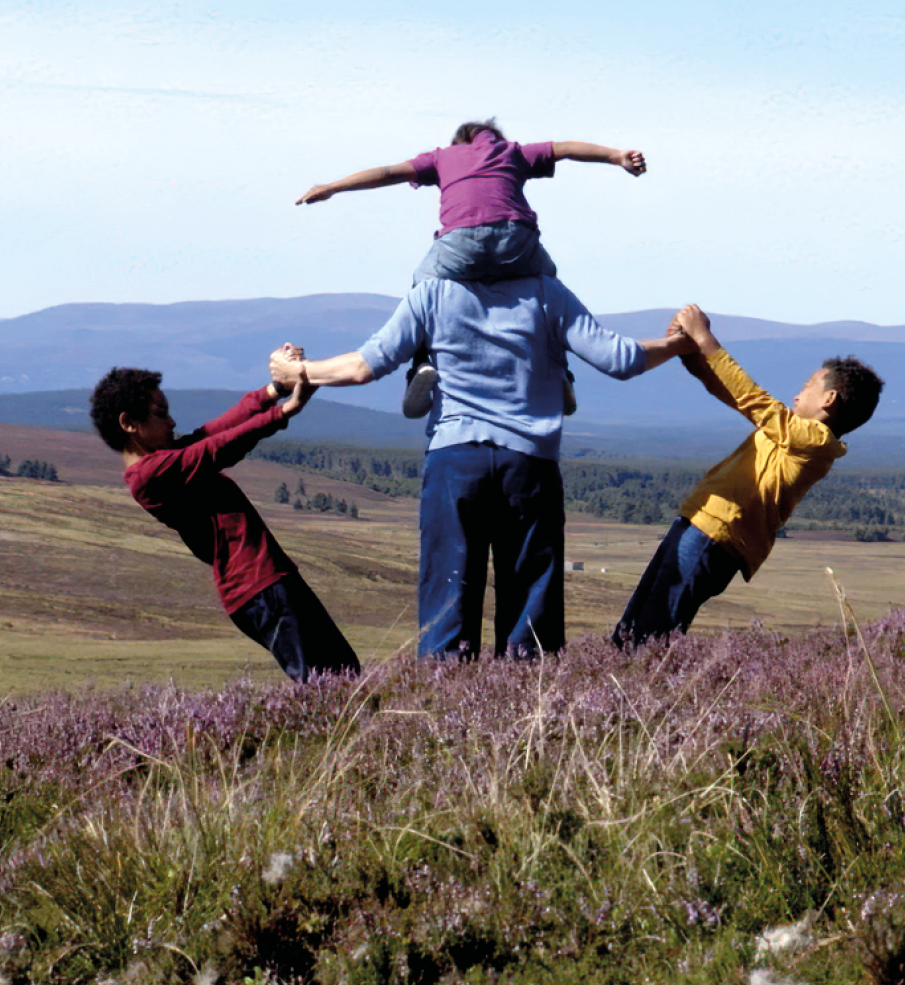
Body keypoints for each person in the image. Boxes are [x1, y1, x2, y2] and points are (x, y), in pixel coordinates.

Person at [270, 277, 693, 660]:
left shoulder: (431, 293)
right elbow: (619, 359)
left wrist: (298, 373)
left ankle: (441, 721)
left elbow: (364, 366)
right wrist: (680, 344)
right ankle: (534, 726)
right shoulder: (547, 292)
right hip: (530, 462)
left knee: (446, 612)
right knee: (532, 629)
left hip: (454, 459)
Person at [296, 119, 646, 416]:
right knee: (549, 284)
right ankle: (561, 373)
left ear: (458, 142)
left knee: (423, 285)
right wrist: (617, 156)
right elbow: (567, 148)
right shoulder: (513, 151)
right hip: (517, 241)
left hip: (460, 243)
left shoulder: (441, 157)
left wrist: (332, 187)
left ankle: (421, 363)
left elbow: (387, 172)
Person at [612, 305, 885, 648]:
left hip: (716, 535)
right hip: (701, 523)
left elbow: (751, 398)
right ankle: (622, 684)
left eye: (808, 386)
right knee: (636, 623)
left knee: (652, 632)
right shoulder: (792, 433)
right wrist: (691, 356)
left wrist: (704, 337)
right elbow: (732, 393)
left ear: (828, 399)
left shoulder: (815, 441)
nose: (797, 393)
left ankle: (641, 693)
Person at [89, 361, 360, 681]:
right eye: (161, 413)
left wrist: (275, 390)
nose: (172, 421)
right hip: (259, 587)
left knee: (344, 673)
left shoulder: (165, 458)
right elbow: (217, 448)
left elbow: (216, 430)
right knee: (320, 684)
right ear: (129, 423)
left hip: (268, 581)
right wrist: (284, 412)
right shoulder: (149, 476)